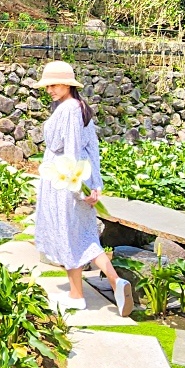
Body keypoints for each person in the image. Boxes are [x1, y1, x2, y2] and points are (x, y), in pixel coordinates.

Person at [32, 60, 133, 316]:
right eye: (48, 86)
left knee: (67, 236)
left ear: (67, 84)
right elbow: (93, 149)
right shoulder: (79, 108)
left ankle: (77, 295)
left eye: (54, 85)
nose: (50, 90)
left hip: (65, 181)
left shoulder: (69, 109)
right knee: (85, 238)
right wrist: (95, 183)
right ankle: (115, 281)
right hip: (75, 179)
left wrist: (78, 188)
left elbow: (74, 150)